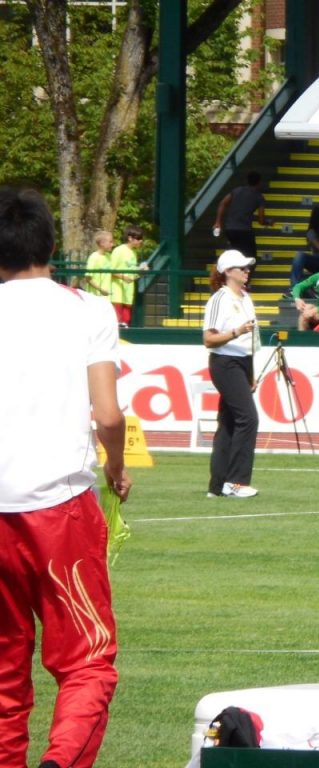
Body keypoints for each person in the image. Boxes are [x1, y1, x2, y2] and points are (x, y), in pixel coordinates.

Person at [0, 186, 129, 768]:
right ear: (52, 244)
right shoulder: (87, 310)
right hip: (60, 506)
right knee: (86, 660)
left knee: (4, 672)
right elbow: (108, 414)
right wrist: (117, 469)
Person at [203, 249, 260, 499]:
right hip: (225, 362)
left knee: (228, 422)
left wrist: (251, 373)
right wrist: (236, 332)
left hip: (242, 362)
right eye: (242, 268)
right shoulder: (220, 298)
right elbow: (209, 339)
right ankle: (236, 482)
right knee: (248, 418)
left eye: (247, 268)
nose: (247, 271)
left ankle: (217, 485)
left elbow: (250, 340)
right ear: (228, 272)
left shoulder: (245, 297)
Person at [213, 171, 271, 263]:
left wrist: (218, 222)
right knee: (251, 257)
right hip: (245, 231)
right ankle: (246, 275)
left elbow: (222, 203)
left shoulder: (236, 190)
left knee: (233, 252)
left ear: (247, 181)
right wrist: (269, 222)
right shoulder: (259, 197)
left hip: (230, 229)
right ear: (259, 182)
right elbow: (261, 220)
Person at [109, 225, 147, 327]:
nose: (141, 241)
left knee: (126, 318)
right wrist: (124, 277)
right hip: (118, 290)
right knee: (117, 318)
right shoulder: (119, 250)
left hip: (128, 290)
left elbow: (133, 271)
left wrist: (141, 270)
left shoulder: (133, 253)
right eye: (138, 238)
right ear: (130, 238)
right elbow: (110, 270)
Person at [84, 229, 114, 300]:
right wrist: (101, 289)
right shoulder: (93, 258)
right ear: (102, 243)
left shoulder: (109, 256)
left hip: (107, 296)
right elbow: (88, 278)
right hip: (95, 297)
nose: (112, 244)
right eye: (110, 242)